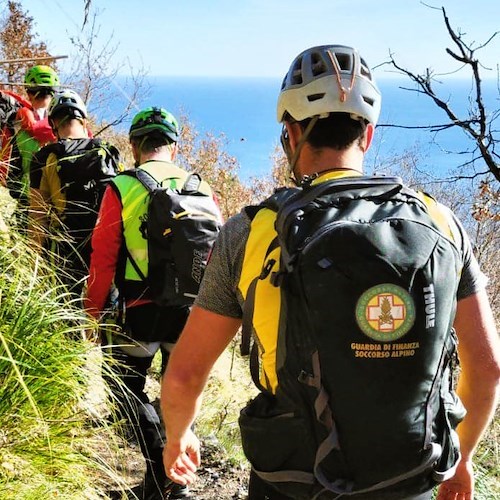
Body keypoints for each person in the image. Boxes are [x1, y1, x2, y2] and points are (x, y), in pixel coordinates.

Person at [160, 45, 500, 500]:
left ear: (292, 132)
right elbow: (489, 369)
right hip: (409, 473)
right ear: (369, 135)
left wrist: (178, 435)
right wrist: (461, 461)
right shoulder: (441, 223)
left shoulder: (253, 230)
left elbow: (185, 375)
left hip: (293, 479)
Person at [85, 107, 220, 500]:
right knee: (177, 390)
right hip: (189, 314)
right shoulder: (203, 188)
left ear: (133, 146)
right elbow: (217, 254)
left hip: (138, 311)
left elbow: (103, 257)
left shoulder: (122, 186)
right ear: (174, 148)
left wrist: (91, 312)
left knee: (126, 390)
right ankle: (172, 478)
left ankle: (163, 473)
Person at [29, 89, 119, 298]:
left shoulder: (45, 157)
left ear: (53, 124)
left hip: (65, 250)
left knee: (66, 315)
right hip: (106, 247)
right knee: (106, 313)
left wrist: (32, 266)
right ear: (84, 121)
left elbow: (37, 216)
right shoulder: (107, 150)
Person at [6, 65, 58, 228]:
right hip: (57, 196)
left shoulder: (20, 118)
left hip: (27, 193)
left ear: (29, 92)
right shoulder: (62, 122)